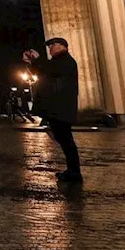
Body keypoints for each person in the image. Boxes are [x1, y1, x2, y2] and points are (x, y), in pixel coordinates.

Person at [25, 37, 82, 183]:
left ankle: (74, 173)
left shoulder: (66, 62)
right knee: (63, 140)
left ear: (63, 47)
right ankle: (72, 171)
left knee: (66, 141)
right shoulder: (57, 62)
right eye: (49, 46)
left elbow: (49, 69)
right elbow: (42, 72)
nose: (50, 48)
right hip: (56, 108)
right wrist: (31, 62)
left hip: (61, 107)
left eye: (52, 45)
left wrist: (37, 60)